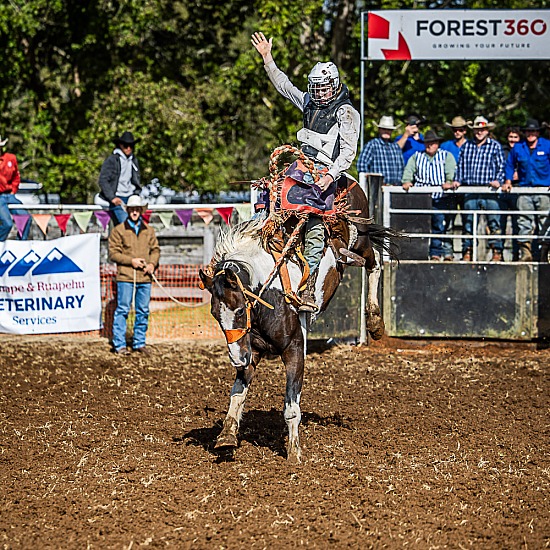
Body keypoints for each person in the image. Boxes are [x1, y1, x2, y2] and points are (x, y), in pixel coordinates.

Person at [251, 31, 361, 312]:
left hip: (326, 171)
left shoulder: (346, 112)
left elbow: (348, 151)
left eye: (324, 88)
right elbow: (284, 86)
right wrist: (268, 59)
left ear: (334, 86)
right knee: (267, 197)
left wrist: (330, 175)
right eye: (316, 88)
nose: (319, 93)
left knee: (312, 224)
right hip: (301, 166)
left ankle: (310, 284)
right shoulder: (309, 102)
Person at [108, 195, 160, 355]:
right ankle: (120, 345)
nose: (135, 212)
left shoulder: (149, 230)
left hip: (145, 277)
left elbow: (155, 250)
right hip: (125, 276)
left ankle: (139, 342)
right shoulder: (118, 231)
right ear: (128, 210)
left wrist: (151, 264)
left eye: (137, 209)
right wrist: (131, 261)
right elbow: (113, 253)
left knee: (143, 310)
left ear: (140, 211)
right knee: (123, 309)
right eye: (132, 209)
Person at [453, 116, 506, 262]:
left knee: (494, 222)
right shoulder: (467, 146)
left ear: (487, 131)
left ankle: (497, 252)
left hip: (490, 190)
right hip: (470, 188)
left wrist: (499, 181)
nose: (479, 132)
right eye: (477, 129)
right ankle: (467, 251)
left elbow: (501, 167)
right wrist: (457, 180)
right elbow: (461, 166)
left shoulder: (495, 146)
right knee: (468, 222)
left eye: (482, 129)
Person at [402, 130, 457, 261]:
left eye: (432, 143)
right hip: (421, 198)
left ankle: (436, 253)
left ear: (437, 144)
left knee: (439, 223)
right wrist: (407, 181)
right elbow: (408, 171)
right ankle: (420, 252)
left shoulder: (446, 156)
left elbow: (451, 173)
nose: (430, 145)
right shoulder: (416, 156)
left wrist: (449, 182)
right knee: (421, 225)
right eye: (427, 143)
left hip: (440, 197)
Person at [503, 118, 550, 262]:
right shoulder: (518, 147)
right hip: (524, 188)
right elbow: (510, 164)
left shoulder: (547, 145)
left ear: (538, 133)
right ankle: (526, 252)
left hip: (544, 189)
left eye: (533, 131)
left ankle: (544, 253)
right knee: (524, 220)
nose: (531, 134)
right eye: (528, 131)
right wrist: (508, 181)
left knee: (545, 221)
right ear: (525, 133)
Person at [99, 131, 142, 226]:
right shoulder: (112, 160)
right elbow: (103, 180)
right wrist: (112, 197)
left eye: (131, 146)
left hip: (131, 197)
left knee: (139, 225)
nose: (129, 148)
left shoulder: (134, 160)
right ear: (120, 145)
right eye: (126, 146)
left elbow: (136, 179)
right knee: (127, 225)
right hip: (118, 199)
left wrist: (136, 194)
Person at [0, 135, 31, 241]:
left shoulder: (11, 158)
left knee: (26, 218)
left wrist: (13, 190)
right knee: (7, 224)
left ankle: (20, 245)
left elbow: (16, 177)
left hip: (9, 194)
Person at [499, 126, 522, 260]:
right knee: (500, 223)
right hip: (503, 189)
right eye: (510, 137)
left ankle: (516, 254)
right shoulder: (503, 150)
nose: (512, 140)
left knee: (517, 224)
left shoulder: (523, 150)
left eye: (515, 137)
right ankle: (499, 253)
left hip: (517, 188)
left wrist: (519, 174)